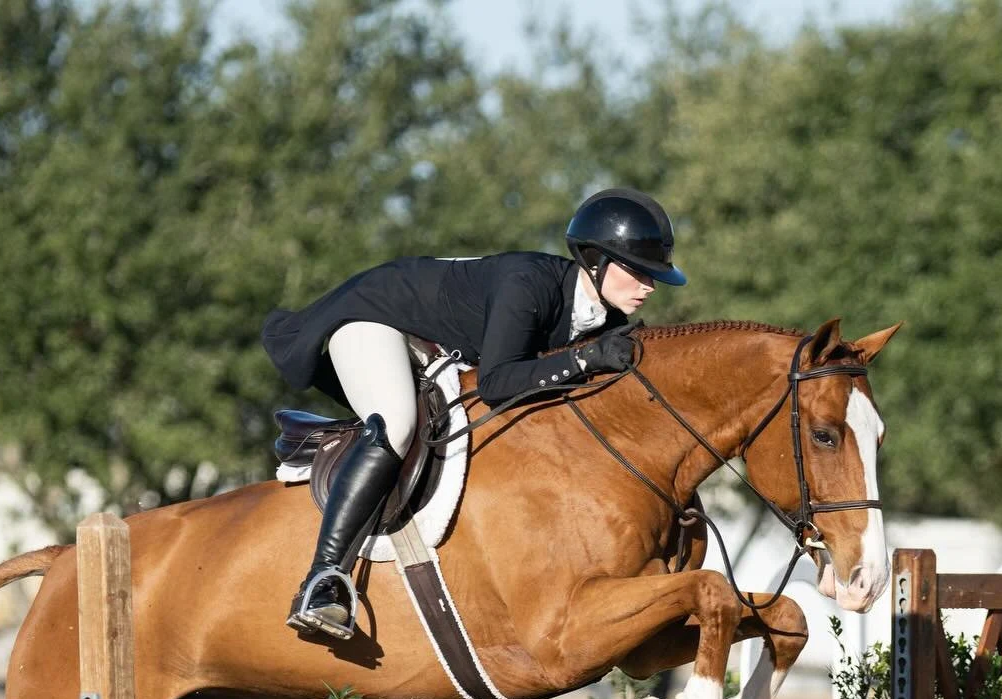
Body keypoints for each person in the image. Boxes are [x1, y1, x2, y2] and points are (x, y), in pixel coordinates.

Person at [262, 187, 688, 639]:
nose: (649, 286)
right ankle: (324, 580)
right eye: (638, 272)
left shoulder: (607, 318)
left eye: (653, 275)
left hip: (437, 345)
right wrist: (585, 360)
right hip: (376, 318)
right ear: (595, 261)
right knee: (398, 423)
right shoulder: (530, 285)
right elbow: (498, 382)